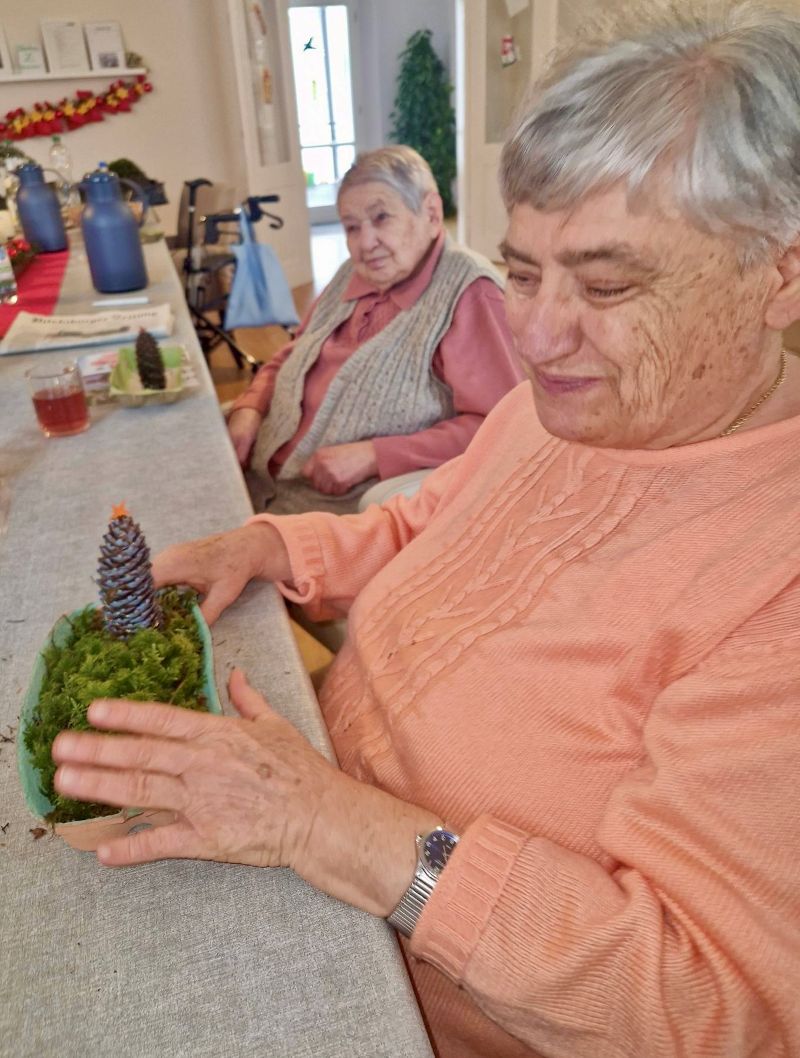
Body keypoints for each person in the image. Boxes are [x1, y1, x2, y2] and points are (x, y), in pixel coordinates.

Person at [51, 3, 800, 1056]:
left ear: (780, 273)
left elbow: (708, 1004)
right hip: (306, 814)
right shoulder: (564, 407)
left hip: (401, 994)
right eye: (523, 269)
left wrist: (327, 822)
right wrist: (271, 544)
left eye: (605, 282)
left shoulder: (774, 581)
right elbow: (422, 523)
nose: (533, 332)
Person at [227, 145, 522, 514]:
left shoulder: (470, 294)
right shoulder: (351, 275)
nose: (365, 244)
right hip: (256, 479)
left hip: (329, 511)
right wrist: (250, 408)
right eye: (352, 227)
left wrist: (375, 455)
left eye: (382, 218)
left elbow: (504, 427)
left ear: (431, 213)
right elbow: (295, 353)